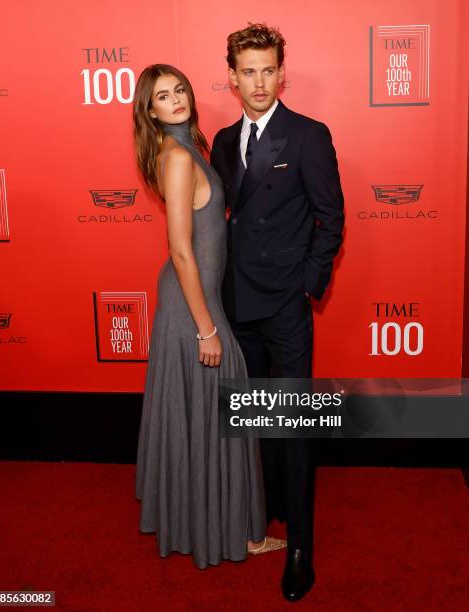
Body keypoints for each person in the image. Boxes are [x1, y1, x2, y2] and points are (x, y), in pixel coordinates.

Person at [133, 64, 286, 570]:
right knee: (221, 410)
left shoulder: (185, 149)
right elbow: (180, 249)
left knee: (208, 414)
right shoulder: (176, 157)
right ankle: (234, 533)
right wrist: (206, 328)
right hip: (192, 304)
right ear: (149, 110)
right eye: (162, 96)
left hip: (197, 297)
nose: (175, 100)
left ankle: (215, 524)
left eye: (179, 90)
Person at [211, 24, 344, 599]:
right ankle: (264, 514)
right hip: (238, 305)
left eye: (268, 70)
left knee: (291, 425)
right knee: (254, 420)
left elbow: (331, 218)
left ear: (281, 74)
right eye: (249, 71)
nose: (259, 81)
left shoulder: (308, 136)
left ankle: (300, 547)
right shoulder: (220, 140)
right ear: (233, 78)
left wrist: (305, 287)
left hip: (285, 306)